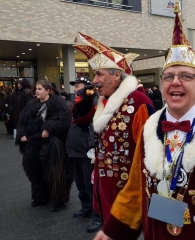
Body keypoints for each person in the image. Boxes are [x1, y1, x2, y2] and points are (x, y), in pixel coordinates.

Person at [94, 2, 195, 240]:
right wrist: (112, 230)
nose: (175, 82)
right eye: (168, 76)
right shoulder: (150, 130)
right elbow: (136, 189)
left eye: (185, 76)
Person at [73, 32, 155, 226]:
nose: (94, 80)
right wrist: (84, 102)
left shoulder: (139, 102)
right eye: (95, 75)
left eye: (99, 74)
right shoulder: (103, 101)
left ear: (117, 75)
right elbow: (81, 121)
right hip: (105, 182)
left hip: (128, 188)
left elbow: (151, 150)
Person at [16, 79, 74, 212]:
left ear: (48, 91)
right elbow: (22, 121)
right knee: (35, 172)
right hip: (33, 143)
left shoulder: (58, 103)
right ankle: (40, 197)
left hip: (52, 144)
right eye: (36, 89)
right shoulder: (31, 104)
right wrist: (22, 134)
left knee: (54, 173)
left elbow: (63, 120)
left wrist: (49, 128)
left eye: (40, 89)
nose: (36, 91)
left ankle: (58, 200)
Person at [66, 76, 102, 233]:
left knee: (91, 186)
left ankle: (97, 216)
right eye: (74, 86)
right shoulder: (78, 103)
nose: (74, 89)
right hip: (76, 151)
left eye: (78, 86)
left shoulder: (92, 102)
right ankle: (86, 208)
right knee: (81, 184)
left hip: (87, 151)